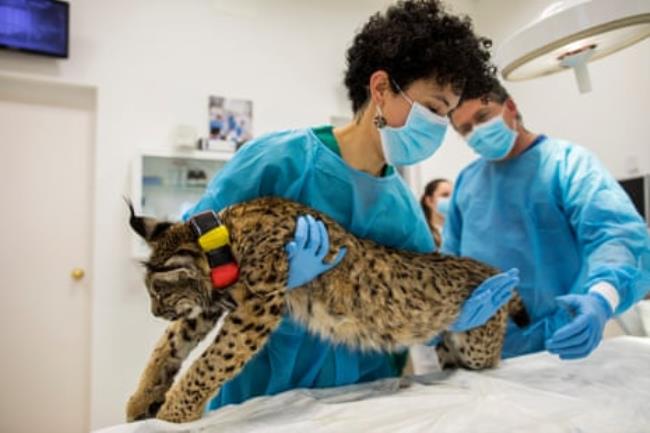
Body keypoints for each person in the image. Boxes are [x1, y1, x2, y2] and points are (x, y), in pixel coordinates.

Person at [184, 0, 519, 411]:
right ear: (380, 88)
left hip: (363, 405)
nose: (437, 127)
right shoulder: (280, 161)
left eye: (445, 116)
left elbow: (408, 314)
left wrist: (452, 318)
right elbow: (191, 248)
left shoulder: (404, 213)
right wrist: (262, 278)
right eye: (432, 108)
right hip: (261, 401)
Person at [445, 77, 650, 359]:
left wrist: (601, 299)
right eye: (465, 129)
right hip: (488, 352)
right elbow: (449, 265)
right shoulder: (466, 184)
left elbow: (618, 236)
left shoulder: (568, 164)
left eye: (483, 117)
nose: (476, 132)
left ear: (511, 107)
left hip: (565, 342)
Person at [420, 178, 452, 248]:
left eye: (453, 196)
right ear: (429, 201)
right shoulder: (422, 234)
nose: (451, 200)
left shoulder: (459, 233)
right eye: (445, 195)